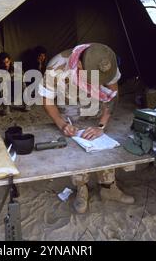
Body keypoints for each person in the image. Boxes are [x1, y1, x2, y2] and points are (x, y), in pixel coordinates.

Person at [38, 43, 134, 214]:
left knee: (100, 143)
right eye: (91, 79)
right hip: (70, 106)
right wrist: (62, 124)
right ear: (80, 65)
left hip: (96, 107)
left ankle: (108, 187)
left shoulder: (106, 61)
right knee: (78, 146)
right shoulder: (56, 67)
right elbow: (46, 99)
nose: (95, 82)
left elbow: (112, 95)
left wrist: (101, 125)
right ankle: (82, 189)